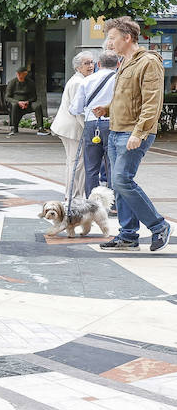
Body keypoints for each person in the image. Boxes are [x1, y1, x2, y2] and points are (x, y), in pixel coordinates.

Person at [95, 17, 170, 252]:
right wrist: (107, 108)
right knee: (118, 185)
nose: (109, 43)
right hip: (117, 129)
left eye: (113, 38)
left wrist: (139, 132)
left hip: (134, 132)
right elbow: (128, 97)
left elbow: (152, 102)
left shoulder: (148, 62)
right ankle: (128, 235)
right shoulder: (125, 62)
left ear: (127, 38)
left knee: (122, 180)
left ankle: (159, 226)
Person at [51, 52, 94, 206]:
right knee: (77, 163)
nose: (91, 66)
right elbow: (78, 110)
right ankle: (73, 197)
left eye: (91, 62)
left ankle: (73, 196)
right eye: (86, 63)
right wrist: (89, 130)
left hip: (71, 128)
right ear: (78, 67)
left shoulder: (81, 80)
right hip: (72, 129)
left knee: (75, 162)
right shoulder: (78, 82)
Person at [74, 50, 119, 196]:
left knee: (91, 167)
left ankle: (91, 201)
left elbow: (75, 108)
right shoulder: (120, 80)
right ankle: (113, 202)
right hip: (113, 124)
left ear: (99, 64)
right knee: (112, 164)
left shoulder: (87, 80)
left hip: (92, 124)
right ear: (118, 64)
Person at [6, 68, 47, 135]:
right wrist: (18, 102)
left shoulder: (30, 83)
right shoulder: (12, 82)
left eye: (21, 73)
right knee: (14, 105)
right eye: (18, 74)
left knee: (37, 105)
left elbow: (34, 97)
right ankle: (13, 127)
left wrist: (27, 101)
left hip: (28, 103)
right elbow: (7, 97)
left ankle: (40, 128)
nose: (19, 75)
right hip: (16, 103)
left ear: (25, 74)